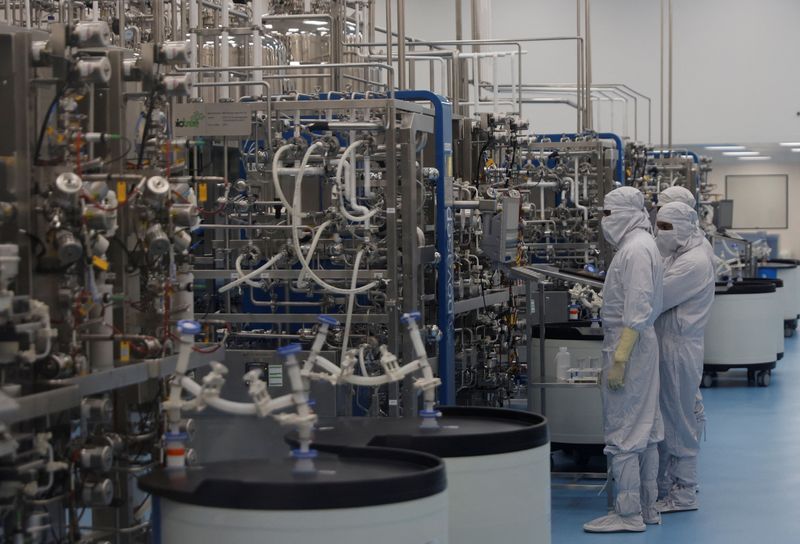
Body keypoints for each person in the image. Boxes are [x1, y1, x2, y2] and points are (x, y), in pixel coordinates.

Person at [584, 187, 664, 533]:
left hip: (629, 347)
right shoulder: (642, 245)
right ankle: (648, 507)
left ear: (625, 213)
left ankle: (628, 513)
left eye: (607, 213)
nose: (604, 221)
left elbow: (638, 308)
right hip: (640, 345)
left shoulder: (635, 250)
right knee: (646, 428)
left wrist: (619, 359)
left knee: (624, 431)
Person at [653, 202, 715, 513]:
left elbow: (657, 297)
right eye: (658, 225)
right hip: (672, 343)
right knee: (675, 415)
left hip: (678, 347)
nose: (659, 233)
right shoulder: (682, 252)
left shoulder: (693, 262)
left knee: (679, 421)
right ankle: (670, 486)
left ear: (685, 225)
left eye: (666, 227)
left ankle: (683, 494)